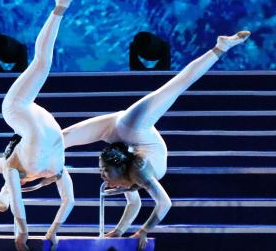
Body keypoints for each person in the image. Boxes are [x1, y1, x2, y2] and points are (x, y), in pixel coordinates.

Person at [62, 30, 252, 250]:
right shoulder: (132, 172)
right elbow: (143, 203)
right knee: (63, 138)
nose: (105, 180)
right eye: (103, 172)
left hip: (131, 126)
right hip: (126, 130)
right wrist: (122, 231)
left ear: (120, 168)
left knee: (175, 86)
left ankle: (221, 47)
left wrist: (142, 231)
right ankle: (26, 163)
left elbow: (163, 203)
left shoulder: (136, 170)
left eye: (104, 173)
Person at [0, 0, 80, 251]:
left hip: (36, 124)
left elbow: (68, 201)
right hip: (23, 112)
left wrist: (47, 232)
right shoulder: (22, 166)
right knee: (41, 62)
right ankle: (59, 7)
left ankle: (59, 7)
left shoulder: (50, 169)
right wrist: (25, 230)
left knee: (43, 63)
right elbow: (10, 184)